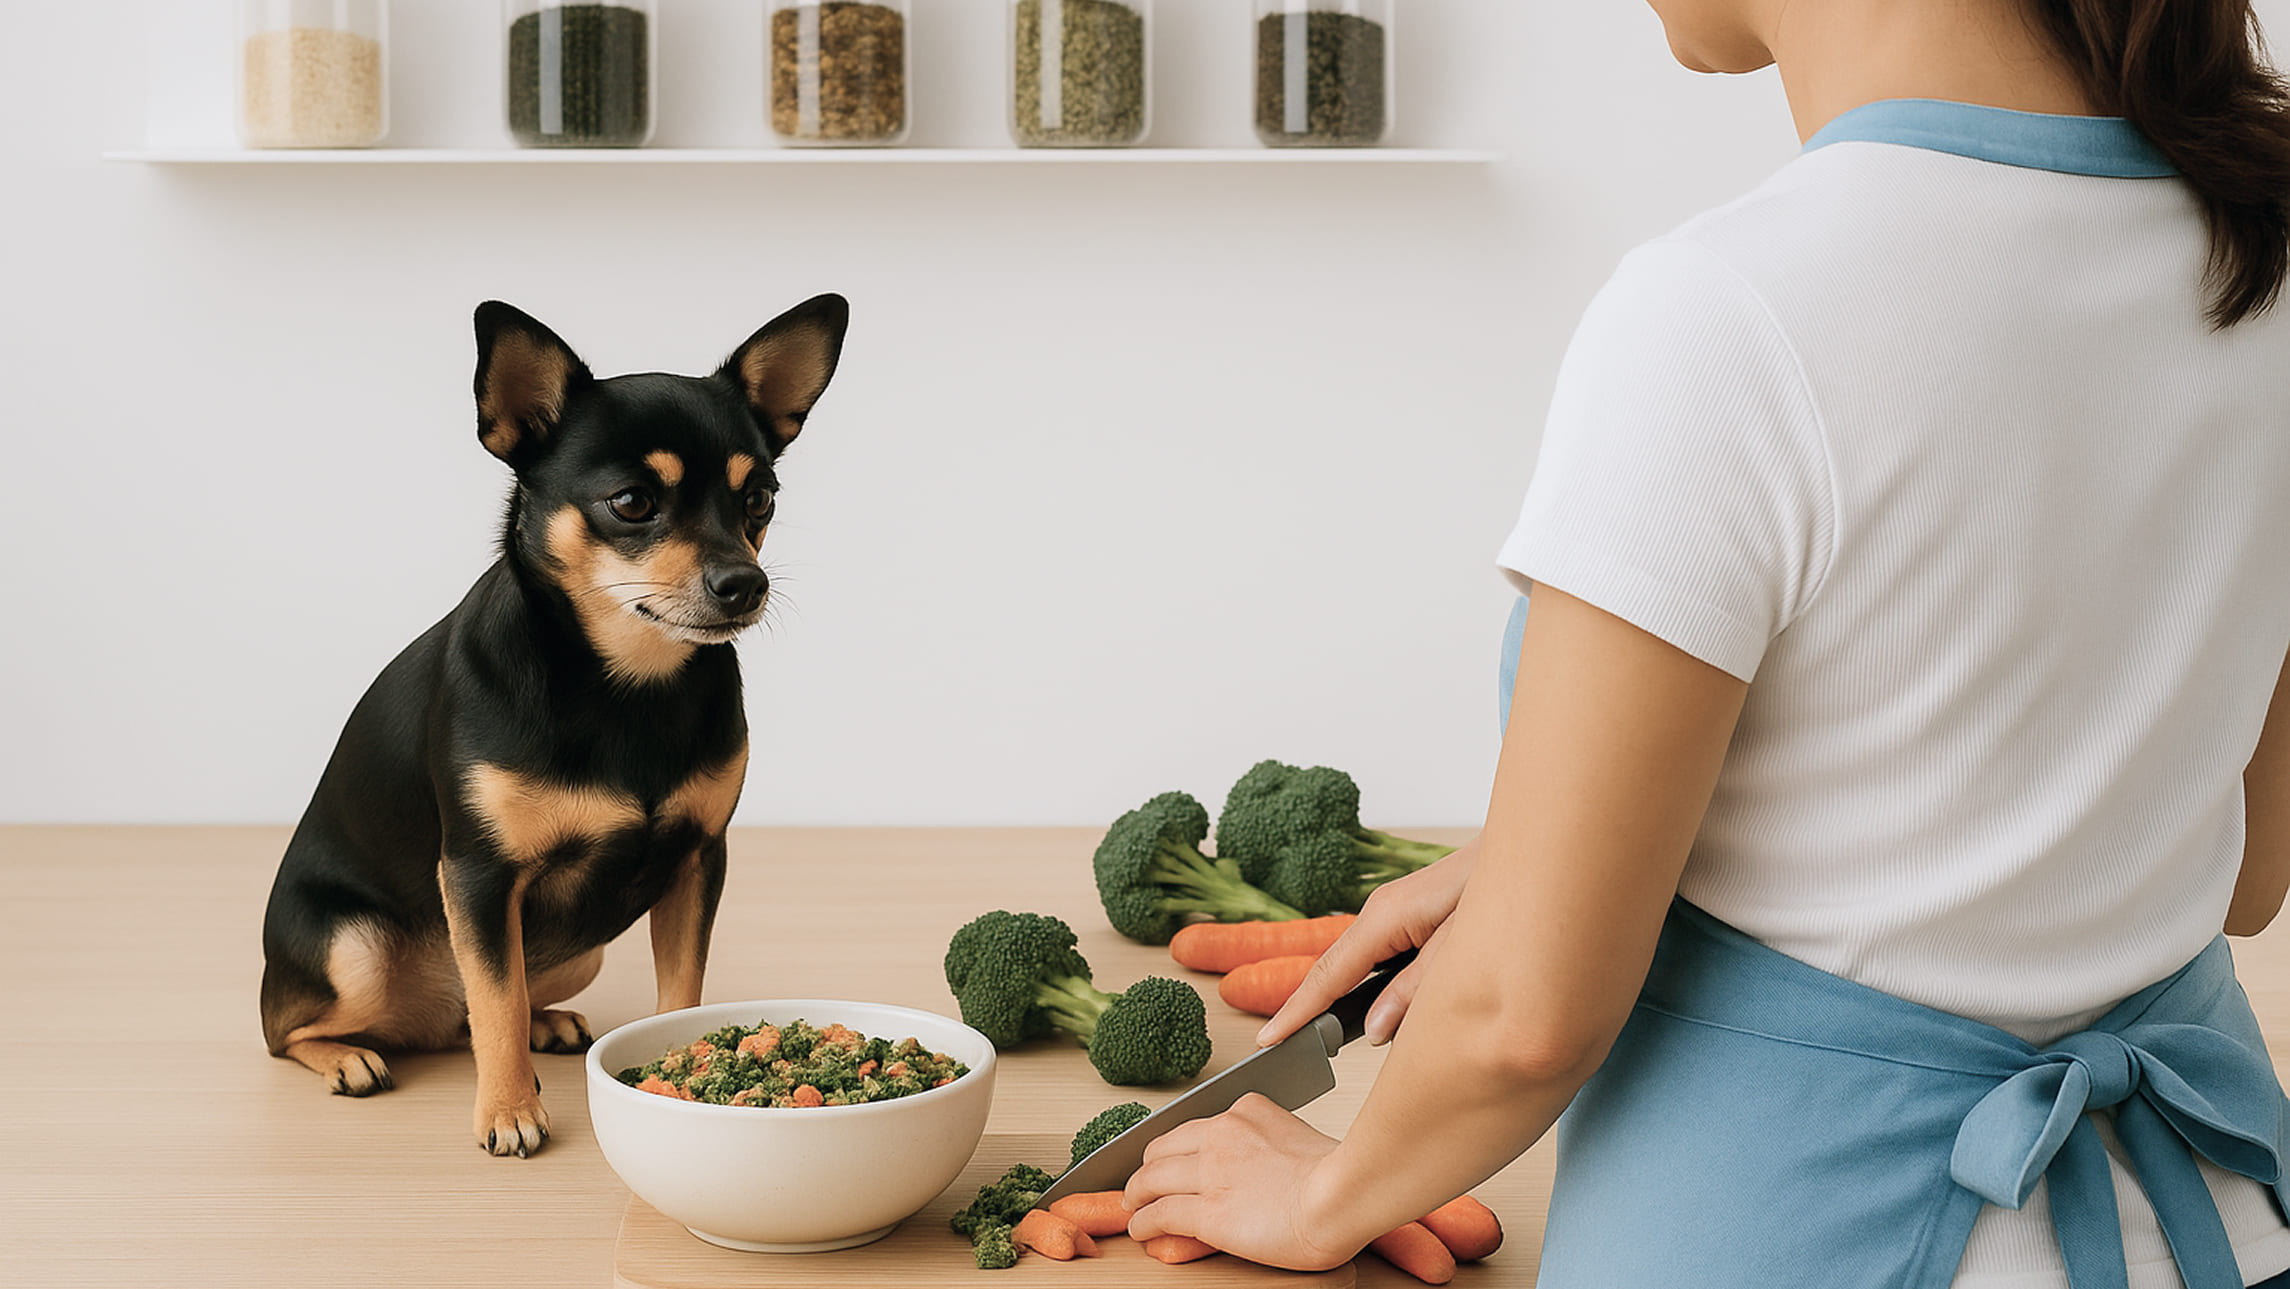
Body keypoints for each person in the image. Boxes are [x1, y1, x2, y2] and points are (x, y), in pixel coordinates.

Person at [1119, 1, 2290, 1285]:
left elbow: (1525, 1022)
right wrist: (1578, 862)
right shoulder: (2260, 251)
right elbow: (2233, 869)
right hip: (2225, 1226)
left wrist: (1327, 1193)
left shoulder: (1733, 308)